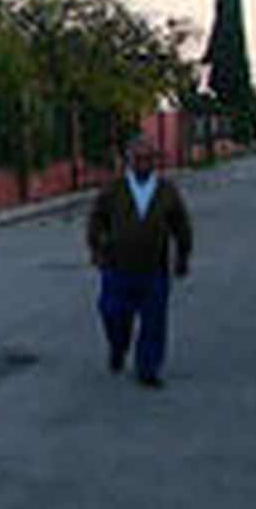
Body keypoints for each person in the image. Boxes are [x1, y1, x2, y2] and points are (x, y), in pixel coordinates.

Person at [86, 136, 193, 388]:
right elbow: (96, 221)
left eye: (148, 159)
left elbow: (181, 225)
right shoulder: (113, 190)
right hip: (117, 267)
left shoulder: (166, 190)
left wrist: (182, 257)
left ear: (155, 162)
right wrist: (97, 249)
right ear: (128, 162)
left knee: (154, 321)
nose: (143, 164)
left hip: (154, 268)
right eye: (137, 159)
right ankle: (118, 346)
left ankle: (148, 368)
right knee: (112, 312)